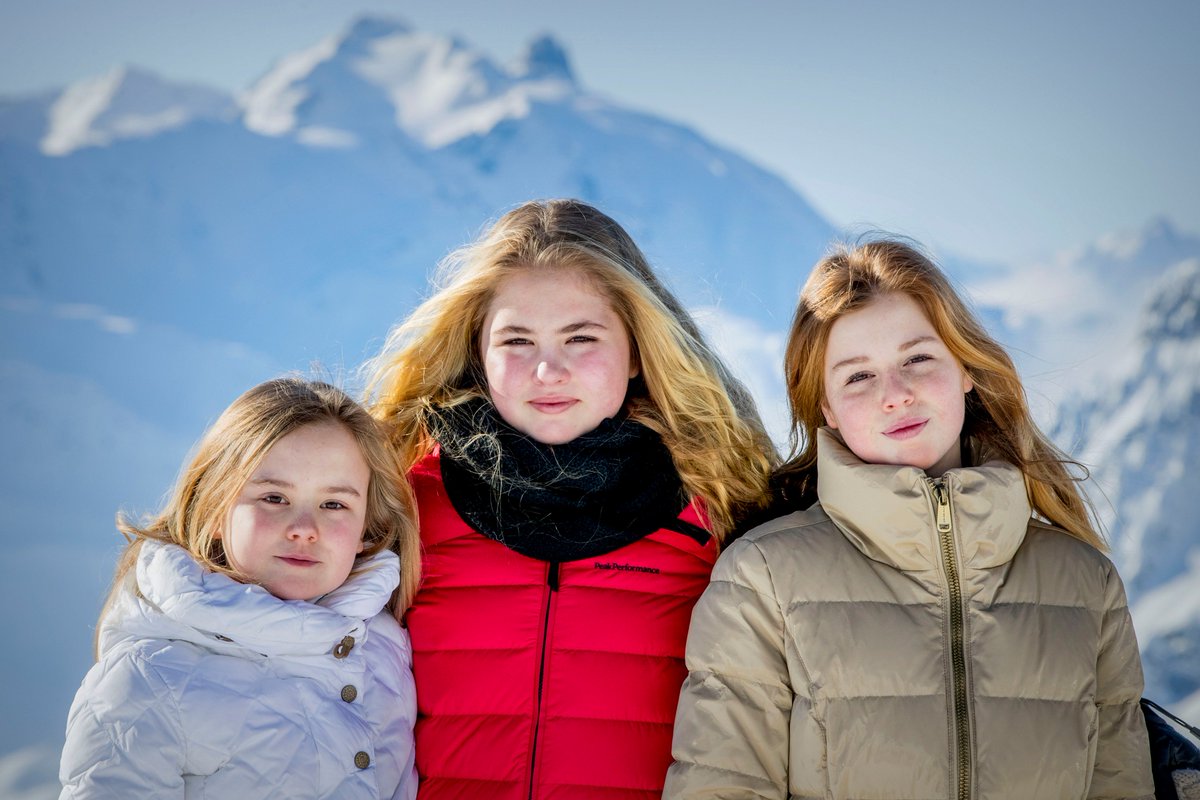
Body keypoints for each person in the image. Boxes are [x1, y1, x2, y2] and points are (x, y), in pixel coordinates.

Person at [664, 238, 1153, 799]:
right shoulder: (761, 580)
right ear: (824, 406)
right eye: (857, 376)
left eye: (918, 358)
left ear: (966, 369)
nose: (894, 394)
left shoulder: (1085, 584)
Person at [365, 198, 775, 799]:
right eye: (517, 341)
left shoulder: (721, 506)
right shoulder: (404, 501)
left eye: (581, 337)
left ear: (637, 349)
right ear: (478, 351)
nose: (547, 370)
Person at [59, 378, 422, 799]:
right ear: (214, 507)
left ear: (366, 528)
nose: (304, 529)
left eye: (334, 504)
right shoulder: (148, 679)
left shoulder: (384, 649)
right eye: (273, 498)